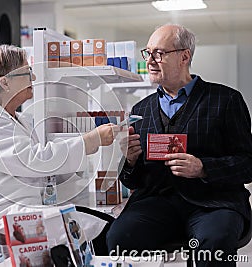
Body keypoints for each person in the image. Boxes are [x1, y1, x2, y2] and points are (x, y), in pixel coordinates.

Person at [106, 24, 252, 266]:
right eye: (148, 52)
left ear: (185, 56)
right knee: (119, 237)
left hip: (213, 203)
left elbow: (247, 163)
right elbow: (132, 181)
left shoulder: (226, 100)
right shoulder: (141, 110)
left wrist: (203, 168)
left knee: (214, 240)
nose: (150, 60)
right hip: (158, 203)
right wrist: (130, 161)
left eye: (159, 53)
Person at [0, 45, 118, 255]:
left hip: (23, 204)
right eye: (26, 72)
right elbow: (33, 160)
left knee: (99, 221)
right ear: (5, 82)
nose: (33, 77)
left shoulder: (17, 119)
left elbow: (37, 168)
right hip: (0, 213)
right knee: (101, 230)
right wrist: (89, 141)